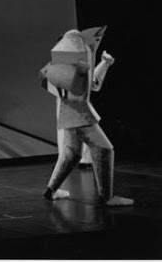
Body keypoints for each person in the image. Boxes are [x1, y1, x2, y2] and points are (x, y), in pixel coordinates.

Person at [41, 29, 133, 206]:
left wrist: (104, 63)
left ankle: (50, 191)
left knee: (71, 154)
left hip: (71, 115)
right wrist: (83, 68)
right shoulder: (63, 66)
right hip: (78, 114)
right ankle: (107, 197)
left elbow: (93, 85)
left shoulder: (70, 65)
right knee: (104, 149)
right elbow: (76, 88)